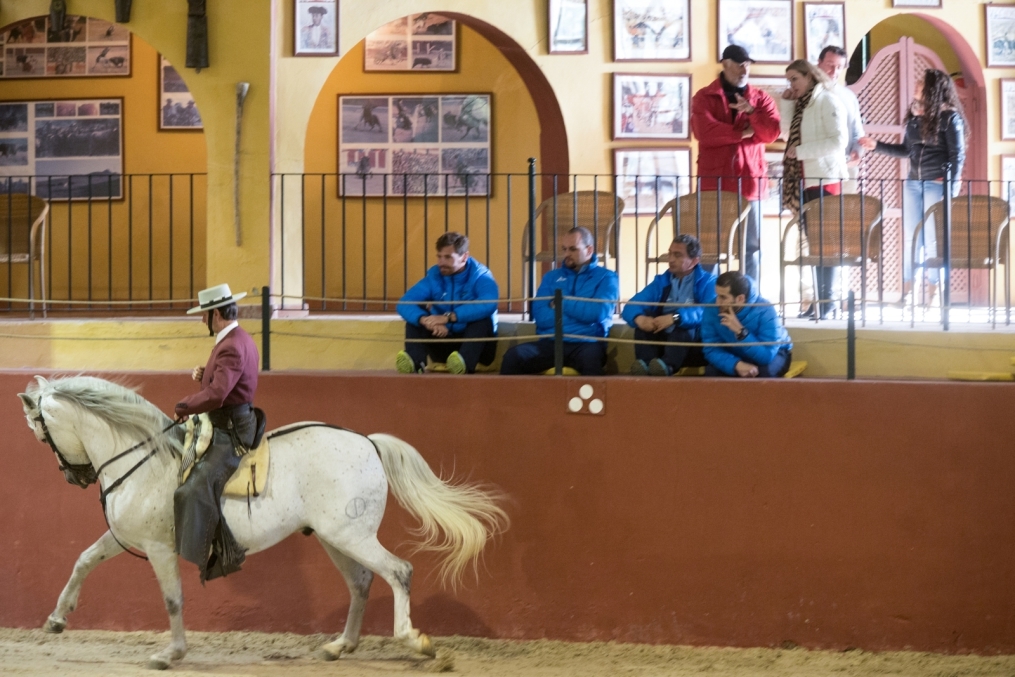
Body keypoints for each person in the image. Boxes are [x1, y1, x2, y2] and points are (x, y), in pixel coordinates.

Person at [174, 283, 260, 582]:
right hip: (228, 419)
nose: (202, 320)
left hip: (231, 430)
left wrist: (184, 405)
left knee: (193, 489)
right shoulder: (235, 338)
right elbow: (225, 380)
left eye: (204, 315)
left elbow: (218, 394)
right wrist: (205, 373)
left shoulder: (231, 346)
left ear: (216, 314)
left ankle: (217, 551)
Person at [859, 69, 966, 307]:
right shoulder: (916, 116)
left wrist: (951, 187)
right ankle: (908, 292)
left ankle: (934, 293)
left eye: (921, 82)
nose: (916, 85)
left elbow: (957, 155)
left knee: (933, 240)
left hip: (937, 184)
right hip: (913, 184)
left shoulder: (950, 118)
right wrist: (876, 145)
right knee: (911, 238)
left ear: (933, 89)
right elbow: (907, 150)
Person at [691, 44, 782, 283]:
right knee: (710, 247)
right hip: (714, 184)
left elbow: (771, 133)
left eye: (747, 65)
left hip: (751, 182)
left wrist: (751, 112)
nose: (745, 70)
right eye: (740, 65)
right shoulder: (703, 97)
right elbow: (704, 132)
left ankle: (750, 296)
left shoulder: (760, 98)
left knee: (752, 247)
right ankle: (708, 296)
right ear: (725, 64)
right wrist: (743, 133)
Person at [778, 59, 849, 319]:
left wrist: (802, 151)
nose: (791, 85)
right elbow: (787, 135)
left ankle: (827, 301)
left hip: (824, 179)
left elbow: (839, 141)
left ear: (809, 76)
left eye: (795, 79)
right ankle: (819, 301)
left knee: (825, 244)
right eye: (789, 80)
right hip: (805, 179)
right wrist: (787, 104)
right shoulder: (802, 104)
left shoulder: (826, 100)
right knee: (814, 245)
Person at [500, 226, 619, 376]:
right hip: (551, 343)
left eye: (573, 249)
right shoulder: (551, 277)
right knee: (513, 357)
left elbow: (597, 312)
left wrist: (560, 303)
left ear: (589, 250)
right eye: (564, 249)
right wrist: (581, 315)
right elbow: (540, 316)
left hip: (587, 344)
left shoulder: (607, 277)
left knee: (591, 364)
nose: (567, 254)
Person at [395, 232, 498, 374]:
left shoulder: (481, 276)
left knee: (482, 320)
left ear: (464, 257)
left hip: (478, 349)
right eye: (439, 256)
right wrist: (426, 320)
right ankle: (414, 362)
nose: (441, 263)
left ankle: (464, 365)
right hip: (443, 339)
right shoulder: (434, 276)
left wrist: (448, 317)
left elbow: (489, 304)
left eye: (448, 257)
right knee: (416, 316)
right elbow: (404, 302)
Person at [622, 234, 717, 376]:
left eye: (677, 255)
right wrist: (639, 319)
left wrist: (675, 317)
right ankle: (646, 366)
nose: (671, 259)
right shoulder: (661, 281)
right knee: (644, 319)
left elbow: (707, 311)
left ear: (694, 261)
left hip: (694, 345)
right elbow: (632, 305)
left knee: (684, 325)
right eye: (670, 253)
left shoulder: (709, 282)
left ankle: (667, 367)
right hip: (664, 339)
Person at [702, 270, 793, 378]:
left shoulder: (766, 310)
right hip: (737, 353)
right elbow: (711, 349)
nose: (717, 302)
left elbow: (767, 356)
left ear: (740, 299)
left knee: (762, 373)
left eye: (723, 297)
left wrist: (741, 332)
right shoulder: (711, 309)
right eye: (717, 295)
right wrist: (735, 365)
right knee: (711, 372)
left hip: (776, 352)